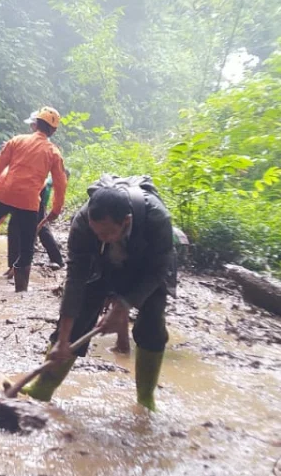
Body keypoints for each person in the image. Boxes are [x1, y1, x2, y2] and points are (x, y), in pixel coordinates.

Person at [21, 175, 177, 412]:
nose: (100, 237)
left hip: (148, 267)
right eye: (97, 234)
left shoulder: (157, 219)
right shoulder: (84, 224)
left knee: (152, 325)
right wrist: (63, 340)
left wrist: (124, 305)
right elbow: (75, 279)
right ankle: (43, 388)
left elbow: (159, 270)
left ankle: (145, 399)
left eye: (106, 233)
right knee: (78, 318)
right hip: (102, 263)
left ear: (126, 221)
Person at [0, 107, 68, 292]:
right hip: (29, 202)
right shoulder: (53, 152)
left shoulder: (17, 141)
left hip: (6, 194)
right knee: (27, 248)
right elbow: (60, 183)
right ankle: (21, 290)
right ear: (53, 130)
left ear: (35, 124)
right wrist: (56, 209)